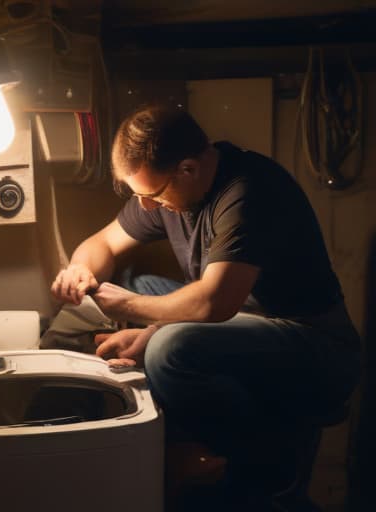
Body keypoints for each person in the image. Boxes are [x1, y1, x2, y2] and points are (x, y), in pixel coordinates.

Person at [51, 105, 361, 510]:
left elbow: (216, 302)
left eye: (152, 195)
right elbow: (104, 244)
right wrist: (80, 270)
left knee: (168, 349)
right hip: (246, 319)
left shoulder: (248, 191)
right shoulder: (170, 193)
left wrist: (142, 318)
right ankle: (210, 438)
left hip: (313, 344)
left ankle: (265, 465)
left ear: (188, 169)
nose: (146, 207)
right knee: (143, 285)